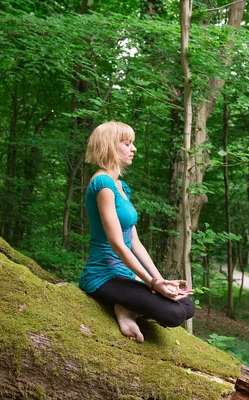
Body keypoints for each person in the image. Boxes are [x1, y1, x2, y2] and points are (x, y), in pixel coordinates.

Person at [79, 121, 194, 342]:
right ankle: (124, 307)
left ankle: (127, 308)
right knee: (174, 314)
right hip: (103, 275)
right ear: (111, 146)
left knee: (186, 305)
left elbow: (134, 242)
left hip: (126, 275)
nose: (134, 149)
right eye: (127, 143)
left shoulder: (121, 187)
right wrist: (152, 284)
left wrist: (161, 280)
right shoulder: (103, 184)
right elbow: (117, 244)